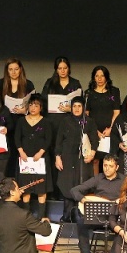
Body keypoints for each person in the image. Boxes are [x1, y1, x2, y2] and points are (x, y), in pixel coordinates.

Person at [70, 154, 125, 253]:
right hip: (97, 217)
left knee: (122, 228)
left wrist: (122, 201)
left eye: (110, 166)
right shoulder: (98, 178)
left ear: (117, 167)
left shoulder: (124, 180)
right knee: (80, 221)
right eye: (105, 165)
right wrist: (83, 199)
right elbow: (74, 190)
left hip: (114, 219)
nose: (107, 168)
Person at [41, 56, 83, 199]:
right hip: (53, 123)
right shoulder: (50, 83)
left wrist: (70, 108)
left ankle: (68, 191)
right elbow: (43, 102)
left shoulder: (75, 83)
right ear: (56, 69)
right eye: (60, 68)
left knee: (68, 157)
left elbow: (80, 103)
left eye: (65, 68)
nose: (63, 71)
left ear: (69, 68)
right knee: (54, 155)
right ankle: (53, 191)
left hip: (70, 124)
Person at [54, 95, 99, 222]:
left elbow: (94, 140)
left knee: (81, 184)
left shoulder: (89, 122)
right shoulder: (65, 121)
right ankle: (67, 215)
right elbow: (59, 141)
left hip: (83, 160)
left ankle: (79, 215)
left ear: (83, 108)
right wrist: (57, 157)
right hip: (67, 158)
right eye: (74, 106)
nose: (77, 108)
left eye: (79, 106)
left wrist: (92, 154)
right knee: (67, 185)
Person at [15, 94, 53, 220]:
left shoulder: (46, 122)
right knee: (26, 189)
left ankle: (41, 217)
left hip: (40, 159)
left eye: (36, 105)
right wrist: (21, 151)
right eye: (30, 105)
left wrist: (41, 152)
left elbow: (49, 139)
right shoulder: (21, 121)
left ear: (41, 107)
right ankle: (26, 218)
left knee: (41, 189)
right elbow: (17, 138)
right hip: (25, 159)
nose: (33, 107)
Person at [0, 58, 35, 176]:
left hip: (22, 120)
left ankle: (20, 178)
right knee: (7, 152)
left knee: (21, 149)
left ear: (21, 70)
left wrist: (26, 110)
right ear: (6, 71)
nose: (13, 72)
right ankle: (5, 179)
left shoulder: (28, 84)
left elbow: (34, 103)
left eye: (16, 69)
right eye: (10, 69)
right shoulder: (0, 83)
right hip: (6, 122)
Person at [85, 66, 121, 174]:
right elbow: (86, 114)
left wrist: (111, 128)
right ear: (93, 77)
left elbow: (116, 112)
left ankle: (109, 187)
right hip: (94, 131)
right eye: (97, 76)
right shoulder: (88, 93)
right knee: (95, 160)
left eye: (102, 76)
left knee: (109, 160)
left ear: (106, 77)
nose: (99, 78)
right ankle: (95, 186)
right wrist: (95, 131)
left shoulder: (114, 91)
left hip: (110, 131)